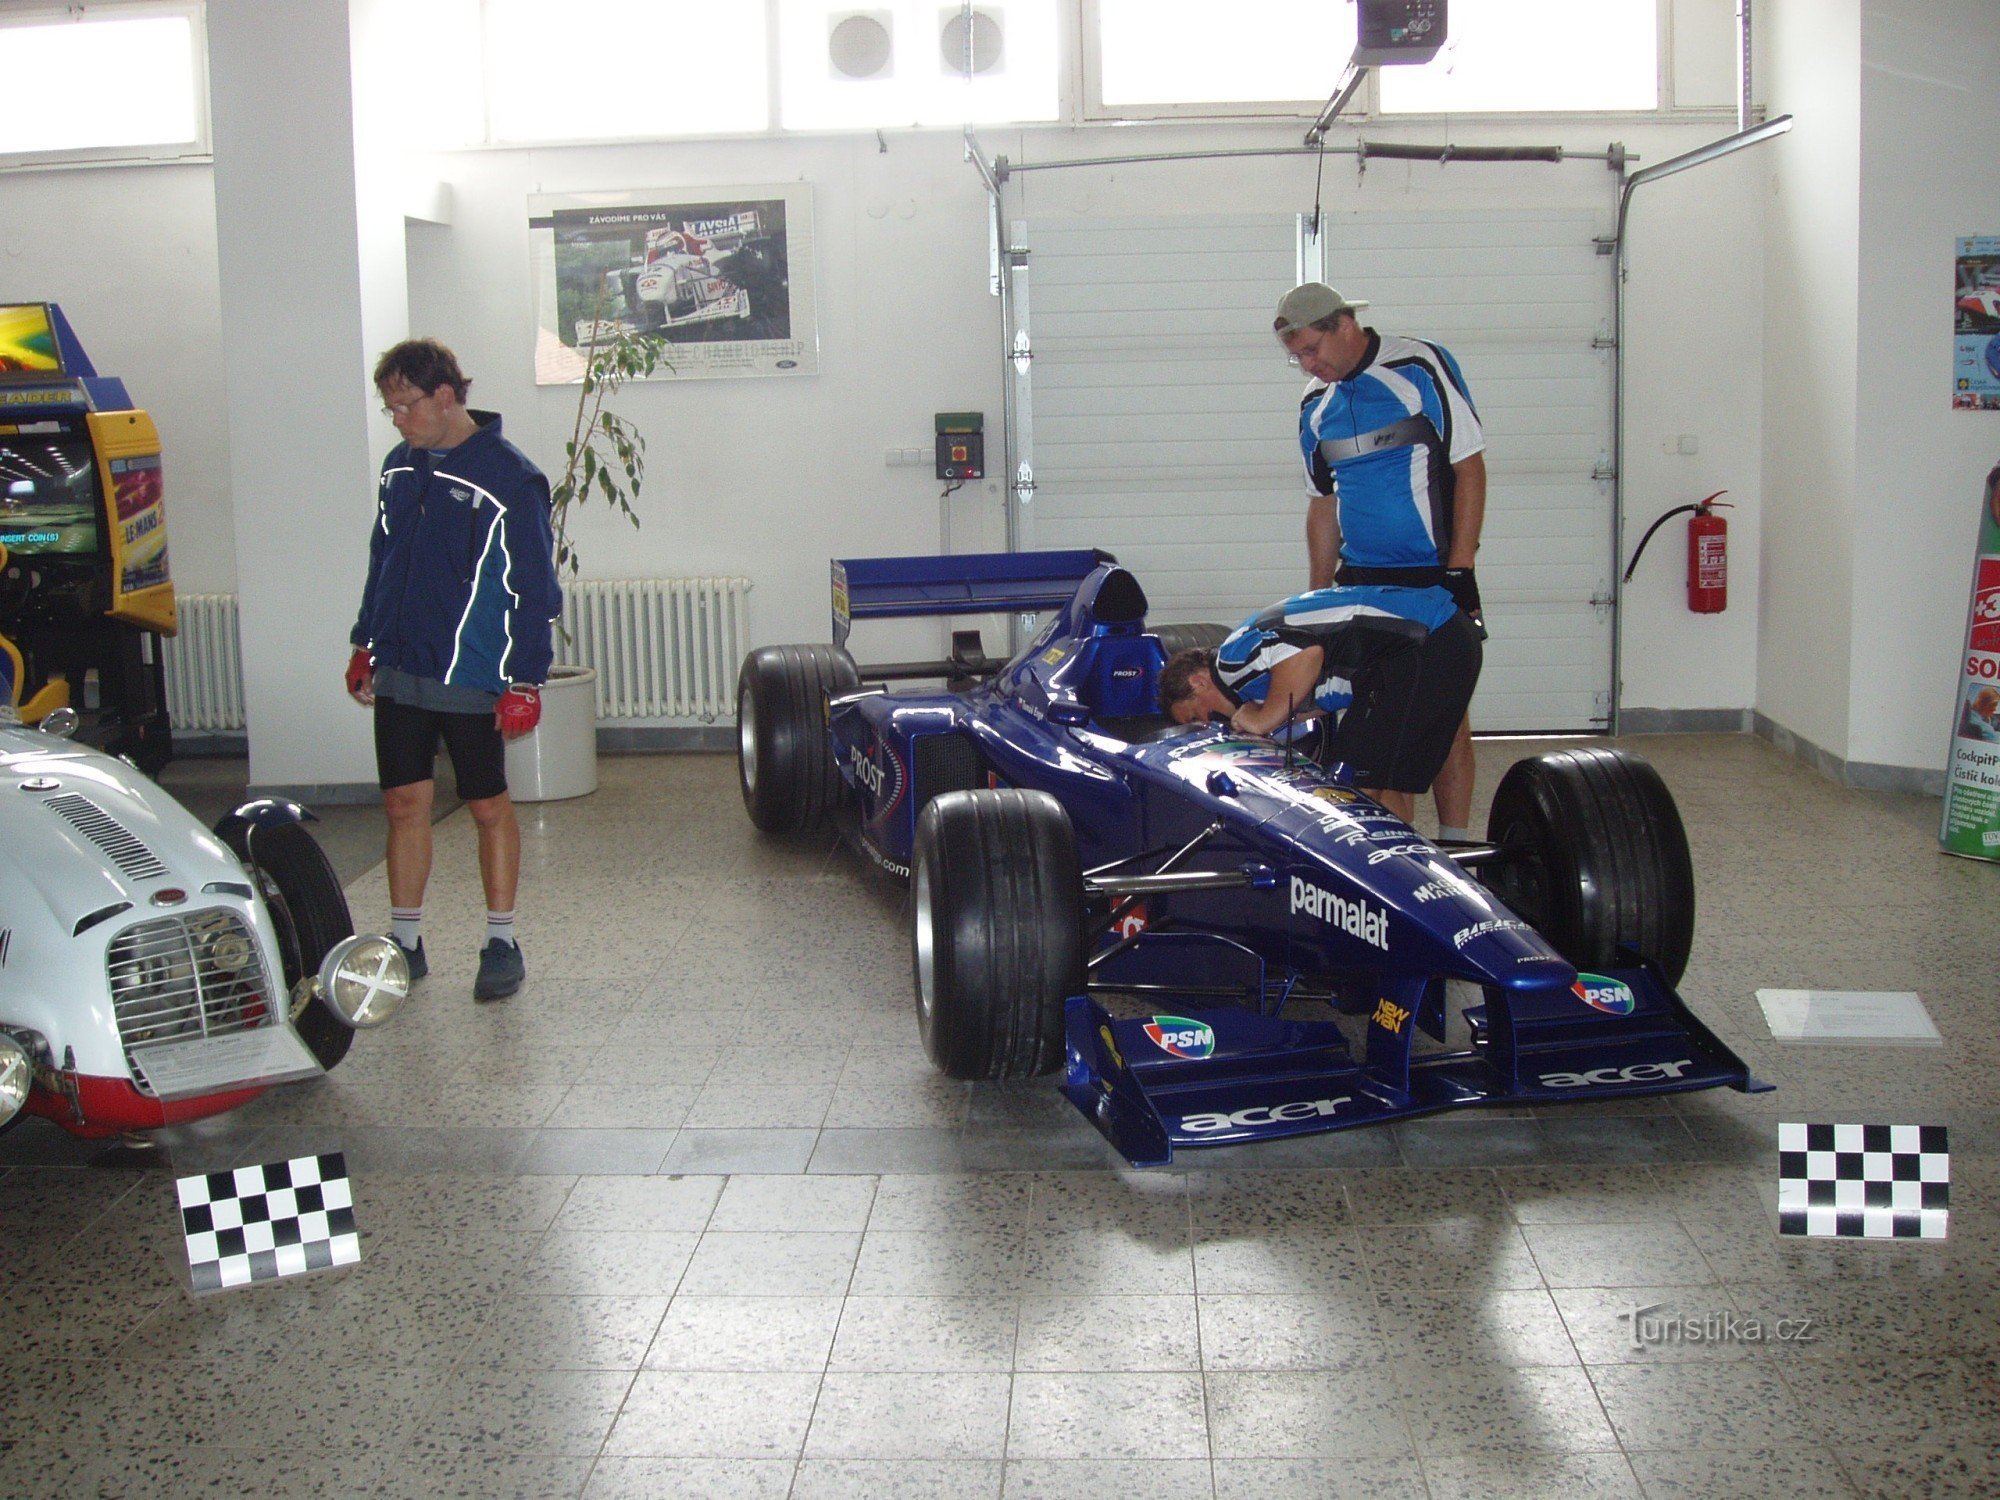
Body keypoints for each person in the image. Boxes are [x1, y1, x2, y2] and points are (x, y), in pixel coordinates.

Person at [345, 338, 561, 1001]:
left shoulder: (509, 478)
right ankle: (405, 943)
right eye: (390, 409)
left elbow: (535, 589)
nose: (399, 420)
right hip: (402, 665)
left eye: (405, 405)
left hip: (470, 671)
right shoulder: (398, 468)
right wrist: (365, 641)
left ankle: (502, 940)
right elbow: (383, 560)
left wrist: (527, 678)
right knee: (403, 803)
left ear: (446, 396)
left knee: (487, 805)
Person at [1275, 281, 1487, 841]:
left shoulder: (1418, 366)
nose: (1307, 366)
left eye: (1311, 351)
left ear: (1344, 325)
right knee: (1378, 715)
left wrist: (1460, 569)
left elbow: (1469, 466)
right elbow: (1322, 507)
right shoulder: (1313, 408)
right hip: (1361, 581)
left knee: (1447, 715)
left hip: (1431, 575)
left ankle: (1457, 843)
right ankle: (1394, 854)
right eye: (1296, 358)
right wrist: (1318, 597)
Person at [1157, 583, 1481, 825]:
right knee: (1369, 773)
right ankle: (1415, 873)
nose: (1208, 723)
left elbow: (1305, 652)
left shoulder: (1230, 660)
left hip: (1425, 641)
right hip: (1438, 639)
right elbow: (1322, 694)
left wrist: (1264, 720)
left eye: (1196, 715)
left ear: (1197, 683)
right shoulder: (1256, 685)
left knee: (1350, 785)